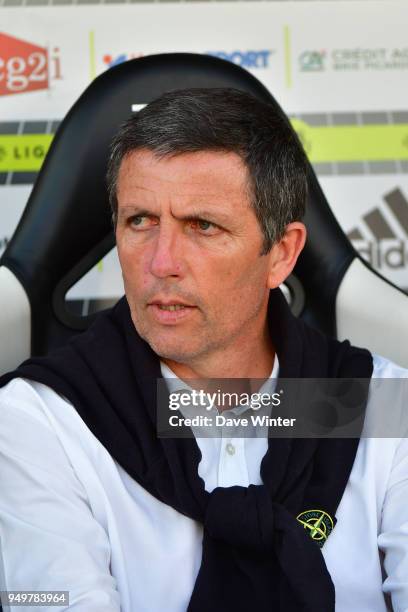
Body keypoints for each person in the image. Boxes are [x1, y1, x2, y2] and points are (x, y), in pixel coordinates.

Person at [0, 88, 407, 612]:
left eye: (202, 225)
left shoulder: (382, 407)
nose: (162, 262)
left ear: (281, 254)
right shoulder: (38, 421)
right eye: (140, 221)